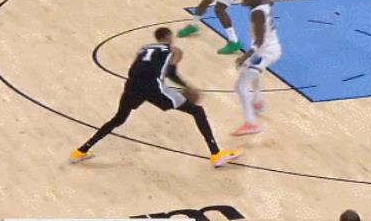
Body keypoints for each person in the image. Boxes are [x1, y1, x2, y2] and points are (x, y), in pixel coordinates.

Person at [69, 27, 242, 167]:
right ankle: (216, 154)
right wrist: (187, 87)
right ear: (169, 37)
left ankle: (80, 151)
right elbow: (171, 73)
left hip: (132, 85)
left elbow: (136, 68)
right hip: (153, 87)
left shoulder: (144, 49)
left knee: (118, 119)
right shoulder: (171, 50)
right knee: (197, 111)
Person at [233, 0, 281, 135]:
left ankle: (251, 123)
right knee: (249, 71)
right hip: (269, 48)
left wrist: (245, 56)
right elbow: (269, 1)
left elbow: (259, 41)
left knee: (240, 86)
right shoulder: (264, 3)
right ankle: (258, 102)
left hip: (265, 52)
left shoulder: (257, 13)